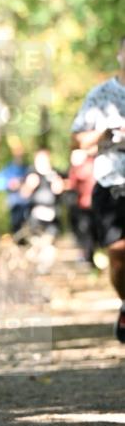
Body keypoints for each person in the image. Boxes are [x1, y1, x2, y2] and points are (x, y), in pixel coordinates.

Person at [71, 36, 125, 342]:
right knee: (118, 254)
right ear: (119, 54)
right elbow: (76, 139)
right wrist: (104, 134)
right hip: (112, 183)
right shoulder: (101, 95)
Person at [66, 148, 97, 266]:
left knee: (87, 231)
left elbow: (74, 182)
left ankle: (88, 257)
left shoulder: (87, 166)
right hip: (81, 205)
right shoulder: (78, 168)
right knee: (83, 231)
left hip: (89, 205)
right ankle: (87, 256)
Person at [0, 143, 30, 234]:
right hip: (15, 203)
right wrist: (10, 184)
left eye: (21, 153)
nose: (19, 155)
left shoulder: (27, 168)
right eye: (17, 153)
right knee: (16, 224)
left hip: (28, 203)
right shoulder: (8, 169)